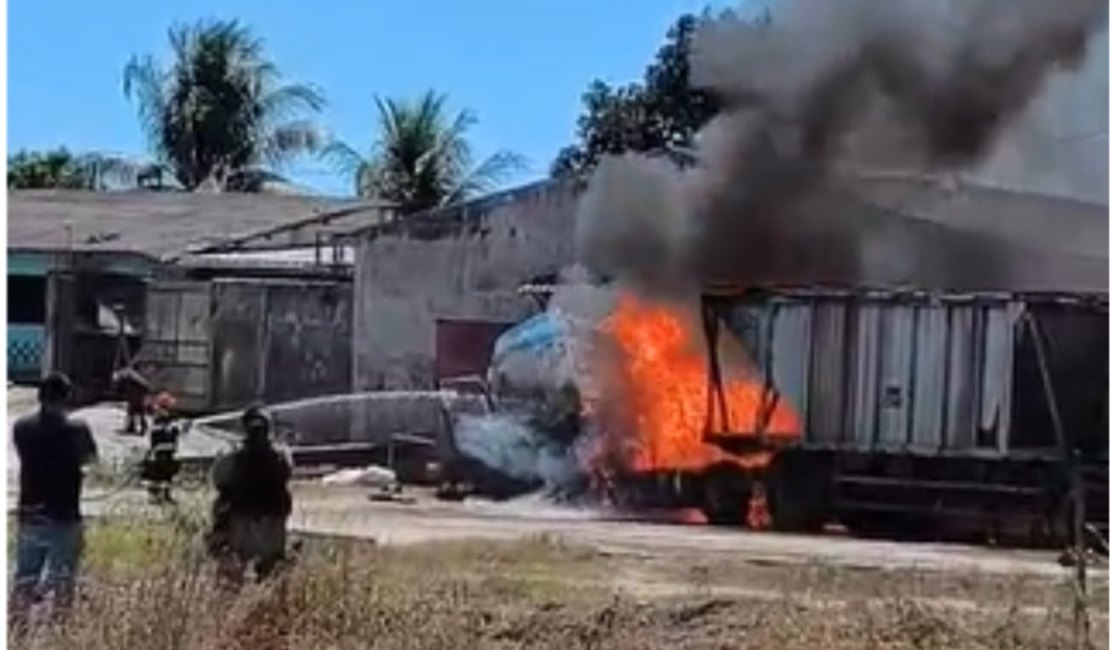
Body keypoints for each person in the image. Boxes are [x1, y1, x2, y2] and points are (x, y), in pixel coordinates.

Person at [10, 372, 98, 630]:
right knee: (63, 581)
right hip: (64, 514)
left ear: (39, 397)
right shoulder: (77, 429)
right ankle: (60, 633)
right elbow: (90, 458)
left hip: (30, 512)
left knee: (25, 578)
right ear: (67, 397)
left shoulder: (21, 427)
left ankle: (17, 630)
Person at [206, 405, 293, 587]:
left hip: (241, 519)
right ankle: (272, 602)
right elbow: (287, 475)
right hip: (272, 521)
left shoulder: (233, 456)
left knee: (232, 570)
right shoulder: (281, 455)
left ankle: (229, 600)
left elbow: (218, 479)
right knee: (271, 571)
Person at [141, 392, 181, 504]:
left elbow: (175, 434)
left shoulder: (172, 421)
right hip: (158, 454)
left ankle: (166, 495)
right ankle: (154, 496)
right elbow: (153, 437)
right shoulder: (156, 421)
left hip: (169, 453)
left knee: (168, 476)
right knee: (156, 476)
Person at [112, 365, 150, 436]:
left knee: (138, 413)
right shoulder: (131, 378)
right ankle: (133, 427)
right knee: (133, 413)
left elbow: (144, 386)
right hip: (135, 398)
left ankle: (141, 427)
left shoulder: (133, 377)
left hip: (137, 398)